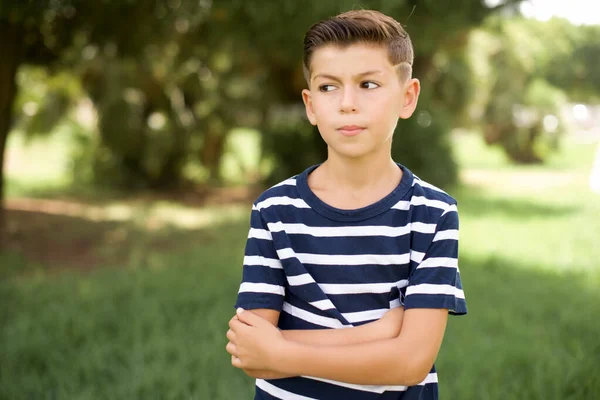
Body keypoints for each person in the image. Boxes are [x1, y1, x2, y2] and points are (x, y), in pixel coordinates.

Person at [226, 9, 467, 399]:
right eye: (328, 87)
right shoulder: (273, 211)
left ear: (407, 97)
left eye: (368, 84)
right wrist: (381, 333)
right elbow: (252, 351)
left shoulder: (432, 214)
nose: (347, 103)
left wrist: (283, 352)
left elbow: (411, 362)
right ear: (309, 105)